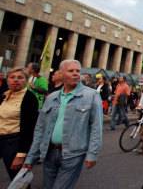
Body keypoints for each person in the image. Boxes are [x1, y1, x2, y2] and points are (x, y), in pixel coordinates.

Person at [23, 60, 103, 189]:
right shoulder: (51, 98)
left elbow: (96, 127)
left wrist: (92, 153)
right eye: (71, 71)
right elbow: (40, 128)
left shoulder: (91, 96)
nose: (76, 74)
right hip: (49, 152)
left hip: (73, 154)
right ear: (61, 73)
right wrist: (31, 156)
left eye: (78, 71)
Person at [0, 67, 38, 181]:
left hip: (13, 143)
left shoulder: (29, 98)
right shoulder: (3, 95)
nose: (15, 80)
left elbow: (29, 129)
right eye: (12, 77)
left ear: (26, 80)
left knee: (18, 180)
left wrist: (21, 154)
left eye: (20, 77)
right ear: (8, 80)